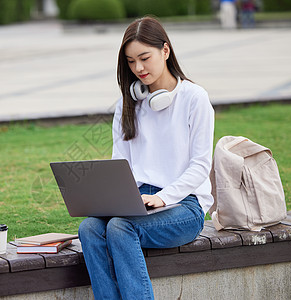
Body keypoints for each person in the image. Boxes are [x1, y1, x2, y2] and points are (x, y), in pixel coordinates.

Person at [78, 16, 215, 300]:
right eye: (130, 62)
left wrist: (164, 196)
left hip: (184, 205)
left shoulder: (194, 98)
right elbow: (122, 166)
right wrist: (113, 199)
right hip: (137, 200)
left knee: (120, 227)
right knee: (89, 228)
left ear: (165, 51)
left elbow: (201, 165)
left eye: (144, 58)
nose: (138, 68)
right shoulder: (127, 106)